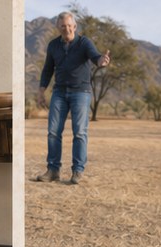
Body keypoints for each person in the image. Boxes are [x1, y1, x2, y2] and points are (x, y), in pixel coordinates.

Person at [34, 11, 110, 185]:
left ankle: (77, 171)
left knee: (80, 132)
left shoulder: (84, 43)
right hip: (59, 92)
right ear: (58, 27)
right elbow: (47, 70)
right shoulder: (53, 46)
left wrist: (101, 61)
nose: (67, 28)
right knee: (53, 132)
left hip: (80, 92)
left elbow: (95, 56)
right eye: (63, 26)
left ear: (74, 27)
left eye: (69, 25)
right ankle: (53, 170)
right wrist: (41, 92)